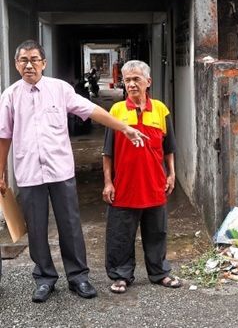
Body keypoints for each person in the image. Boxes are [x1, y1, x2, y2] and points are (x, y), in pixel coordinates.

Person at [0, 40, 148, 303]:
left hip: (61, 171)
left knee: (70, 225)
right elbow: (4, 137)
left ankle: (78, 276)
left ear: (44, 63)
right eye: (23, 60)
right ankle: (44, 278)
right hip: (29, 171)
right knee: (36, 227)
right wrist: (0, 172)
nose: (29, 65)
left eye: (34, 59)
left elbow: (92, 111)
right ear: (16, 65)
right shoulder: (10, 96)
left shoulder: (59, 89)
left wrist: (123, 127)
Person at [102, 60, 180, 294]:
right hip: (124, 185)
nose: (131, 84)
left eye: (136, 79)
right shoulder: (116, 111)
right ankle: (121, 275)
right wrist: (108, 181)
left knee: (157, 232)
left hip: (155, 183)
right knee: (120, 234)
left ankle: (159, 273)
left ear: (148, 82)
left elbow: (169, 148)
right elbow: (108, 152)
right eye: (127, 80)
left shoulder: (160, 110)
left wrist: (172, 174)